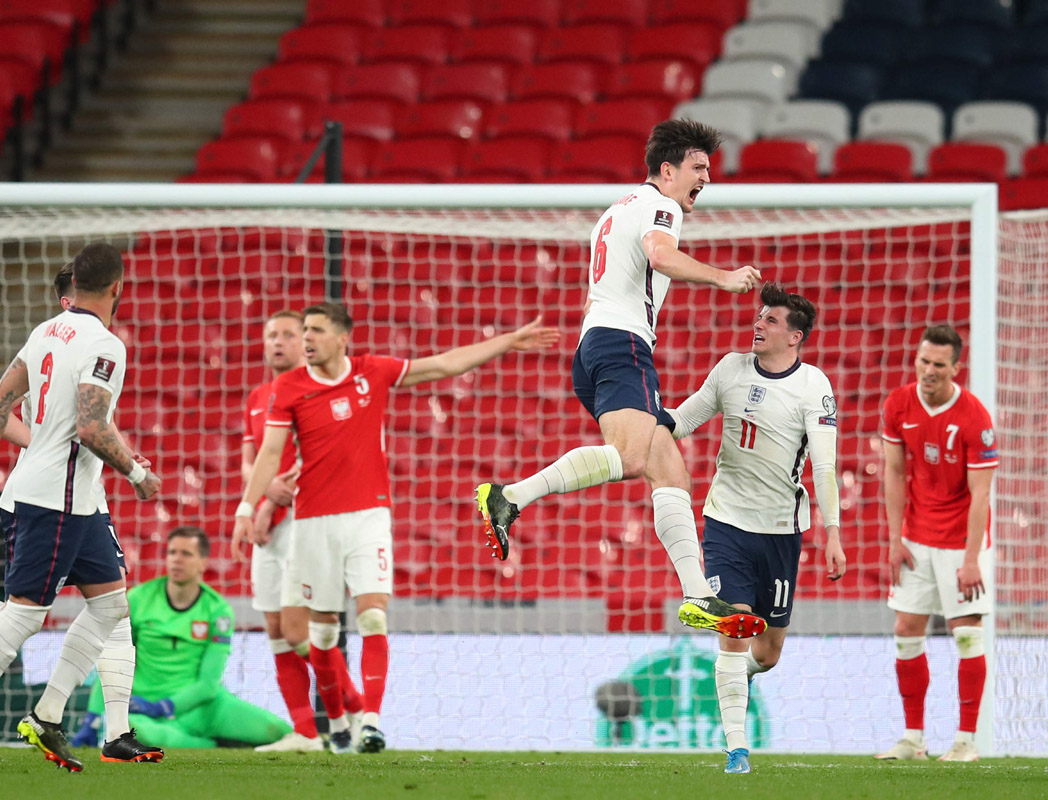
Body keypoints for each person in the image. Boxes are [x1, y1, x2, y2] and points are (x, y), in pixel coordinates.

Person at [475, 119, 767, 639]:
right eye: (698, 168)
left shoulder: (614, 211)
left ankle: (699, 595)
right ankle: (510, 496)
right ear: (668, 169)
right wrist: (723, 277)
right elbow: (660, 254)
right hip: (622, 344)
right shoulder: (662, 206)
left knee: (671, 474)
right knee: (634, 458)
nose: (706, 179)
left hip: (597, 346)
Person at [232, 302, 559, 754]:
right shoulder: (288, 387)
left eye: (316, 330)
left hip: (369, 514)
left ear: (342, 337)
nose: (306, 338)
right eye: (303, 329)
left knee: (372, 615)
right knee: (322, 632)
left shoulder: (374, 372)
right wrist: (246, 508)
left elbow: (445, 364)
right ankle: (339, 723)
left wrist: (506, 340)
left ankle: (370, 720)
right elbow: (269, 454)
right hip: (312, 522)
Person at [0, 243, 161, 773]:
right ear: (118, 286)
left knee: (112, 604)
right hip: (56, 500)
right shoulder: (106, 345)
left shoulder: (46, 331)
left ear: (75, 283)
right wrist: (138, 475)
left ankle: (50, 716)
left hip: (72, 498)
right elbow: (91, 427)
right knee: (23, 616)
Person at [668, 283, 847, 774]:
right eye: (759, 316)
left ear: (796, 337)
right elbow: (687, 418)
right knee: (733, 625)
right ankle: (736, 749)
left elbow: (825, 468)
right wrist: (651, 422)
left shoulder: (815, 386)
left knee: (766, 654)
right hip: (725, 520)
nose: (759, 325)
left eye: (771, 320)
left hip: (781, 531)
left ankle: (733, 677)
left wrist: (833, 532)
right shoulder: (730, 368)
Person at [234, 310, 364, 752]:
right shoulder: (256, 396)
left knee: (296, 630)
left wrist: (269, 502)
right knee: (274, 627)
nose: (280, 342)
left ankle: (358, 709)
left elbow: (322, 457)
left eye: (290, 334)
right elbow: (250, 460)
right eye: (272, 334)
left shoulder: (315, 390)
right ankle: (306, 732)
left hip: (307, 519)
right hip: (268, 525)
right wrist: (255, 501)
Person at [875, 325, 997, 764]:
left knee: (966, 636)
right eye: (923, 361)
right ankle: (913, 739)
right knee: (906, 631)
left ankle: (965, 741)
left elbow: (980, 494)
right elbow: (893, 472)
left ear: (955, 368)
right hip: (915, 537)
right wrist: (894, 539)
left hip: (961, 541)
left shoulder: (974, 418)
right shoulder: (899, 404)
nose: (928, 371)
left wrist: (970, 560)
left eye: (938, 365)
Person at [76, 526, 292, 749]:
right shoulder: (139, 599)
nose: (177, 560)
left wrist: (165, 707)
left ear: (203, 563)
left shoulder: (217, 611)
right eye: (172, 553)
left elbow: (208, 684)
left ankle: (205, 738)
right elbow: (113, 663)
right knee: (135, 731)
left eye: (186, 554)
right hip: (144, 709)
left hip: (204, 707)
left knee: (279, 731)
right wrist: (91, 719)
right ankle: (212, 745)